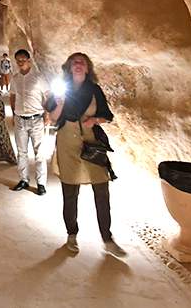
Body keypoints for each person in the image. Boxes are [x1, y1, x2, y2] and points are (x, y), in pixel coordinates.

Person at [46, 52, 125, 257]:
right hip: (67, 142)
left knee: (102, 189)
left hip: (91, 142)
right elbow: (53, 119)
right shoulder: (62, 90)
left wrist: (95, 120)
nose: (78, 65)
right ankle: (72, 235)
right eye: (74, 63)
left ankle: (107, 238)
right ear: (69, 68)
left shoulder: (94, 90)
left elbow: (108, 116)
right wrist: (60, 102)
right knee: (70, 191)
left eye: (82, 62)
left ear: (87, 68)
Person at [8, 49, 50, 195]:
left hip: (36, 119)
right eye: (18, 60)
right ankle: (24, 180)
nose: (20, 63)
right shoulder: (15, 78)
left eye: (22, 60)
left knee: (39, 153)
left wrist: (47, 114)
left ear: (29, 60)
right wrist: (14, 113)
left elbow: (47, 96)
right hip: (20, 119)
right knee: (22, 152)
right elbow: (12, 96)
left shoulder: (38, 78)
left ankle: (41, 183)